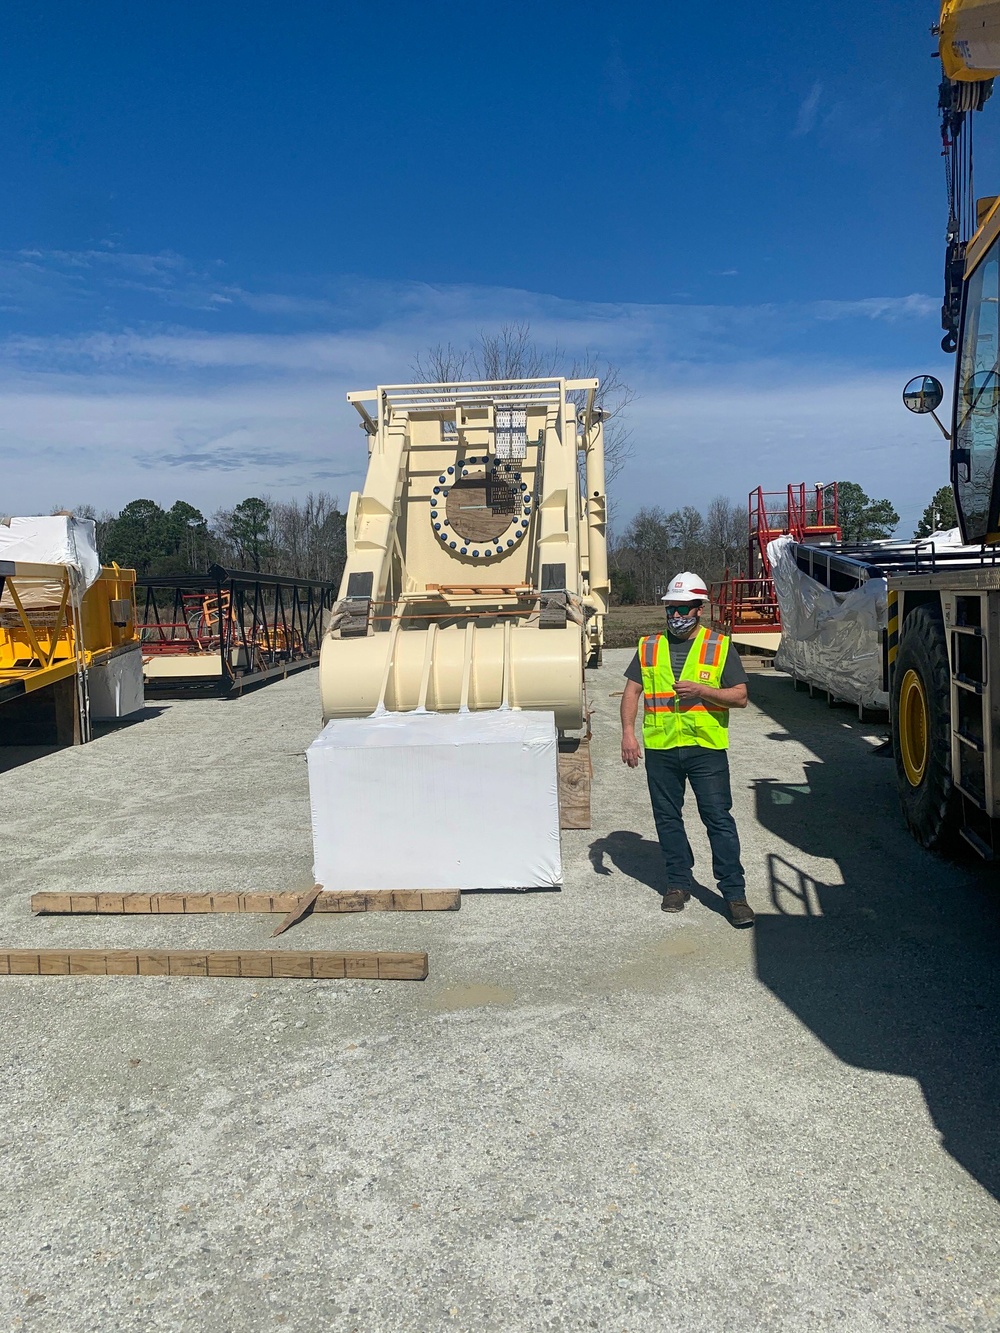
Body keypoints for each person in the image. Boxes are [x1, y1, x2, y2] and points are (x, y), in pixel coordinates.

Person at [619, 571, 754, 928]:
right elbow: (632, 691)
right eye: (671, 607)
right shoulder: (648, 646)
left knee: (718, 819)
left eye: (683, 608)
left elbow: (740, 697)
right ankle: (678, 884)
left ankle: (734, 893)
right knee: (667, 818)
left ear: (699, 609)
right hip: (662, 748)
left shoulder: (719, 645)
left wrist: (703, 691)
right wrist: (627, 734)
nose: (676, 614)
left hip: (705, 748)